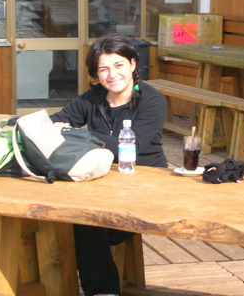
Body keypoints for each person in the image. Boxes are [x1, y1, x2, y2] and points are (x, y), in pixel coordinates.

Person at [51, 33, 168, 296]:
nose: (112, 74)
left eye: (118, 65)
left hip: (147, 187)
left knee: (86, 223)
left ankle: (102, 292)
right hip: (102, 185)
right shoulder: (92, 98)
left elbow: (131, 149)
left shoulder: (152, 100)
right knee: (59, 218)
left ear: (133, 64)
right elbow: (57, 121)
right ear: (96, 73)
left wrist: (77, 135)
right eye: (103, 69)